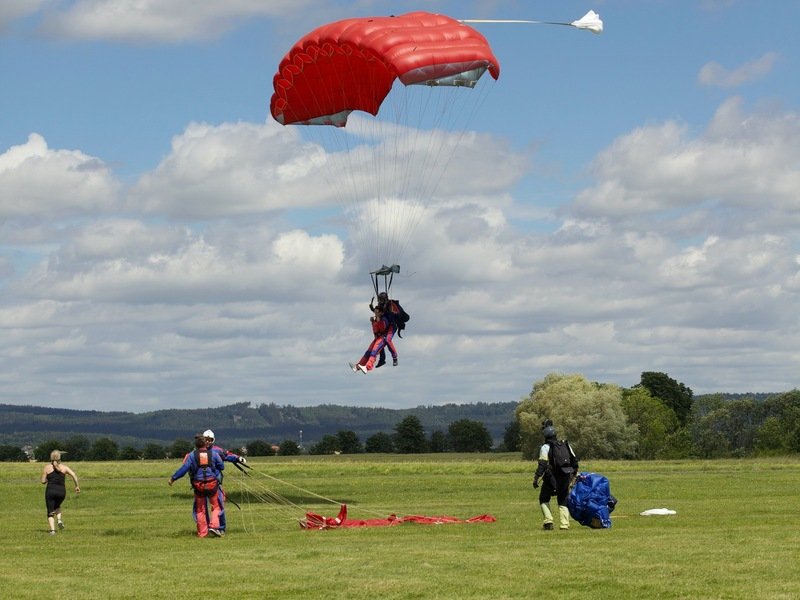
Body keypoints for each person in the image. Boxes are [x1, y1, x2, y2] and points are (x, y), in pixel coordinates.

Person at [169, 434, 225, 538]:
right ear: (205, 443)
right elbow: (221, 466)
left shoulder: (191, 456)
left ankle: (202, 533)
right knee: (216, 506)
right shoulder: (213, 454)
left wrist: (173, 478)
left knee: (200, 510)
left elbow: (184, 469)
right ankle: (214, 526)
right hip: (212, 484)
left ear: (196, 444)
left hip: (198, 486)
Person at [532, 419, 579, 530]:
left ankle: (548, 522)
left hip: (552, 478)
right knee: (563, 499)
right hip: (565, 476)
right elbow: (574, 461)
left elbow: (542, 464)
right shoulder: (565, 444)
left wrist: (536, 478)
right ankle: (564, 524)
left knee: (543, 498)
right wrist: (574, 475)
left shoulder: (545, 447)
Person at [203, 429, 247, 533]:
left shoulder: (217, 450)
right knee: (201, 507)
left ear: (213, 440)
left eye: (210, 440)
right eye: (206, 439)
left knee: (219, 504)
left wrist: (238, 458)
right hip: (201, 483)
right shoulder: (198, 451)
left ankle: (221, 528)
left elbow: (227, 455)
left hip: (215, 483)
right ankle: (205, 528)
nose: (208, 442)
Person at [41, 450, 80, 535]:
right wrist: (77, 486)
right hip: (61, 492)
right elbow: (74, 475)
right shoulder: (64, 467)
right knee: (57, 506)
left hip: (50, 491)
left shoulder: (47, 467)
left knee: (50, 511)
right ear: (59, 458)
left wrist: (48, 478)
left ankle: (52, 531)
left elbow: (43, 481)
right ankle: (59, 520)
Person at [351, 306, 389, 373]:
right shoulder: (375, 319)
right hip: (377, 338)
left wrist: (377, 320)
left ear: (381, 313)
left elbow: (382, 328)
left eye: (377, 312)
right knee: (368, 352)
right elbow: (375, 329)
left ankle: (368, 367)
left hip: (382, 338)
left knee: (374, 352)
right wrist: (373, 322)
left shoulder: (384, 320)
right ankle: (357, 367)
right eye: (375, 312)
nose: (375, 313)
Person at [369, 292, 398, 367]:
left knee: (387, 340)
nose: (380, 301)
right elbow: (380, 312)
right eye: (379, 300)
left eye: (381, 300)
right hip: (385, 326)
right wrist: (373, 309)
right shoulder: (381, 305)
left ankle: (395, 357)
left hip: (391, 326)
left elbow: (384, 312)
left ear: (385, 299)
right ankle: (382, 360)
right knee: (379, 341)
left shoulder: (390, 305)